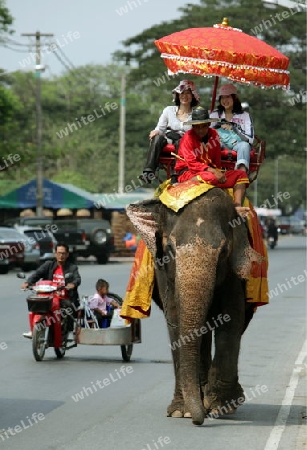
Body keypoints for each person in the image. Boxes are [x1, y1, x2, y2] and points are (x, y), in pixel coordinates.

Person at [174, 106, 250, 216]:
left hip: (211, 173)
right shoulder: (187, 137)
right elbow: (192, 163)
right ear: (193, 126)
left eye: (203, 126)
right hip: (189, 173)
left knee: (241, 175)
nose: (200, 130)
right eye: (197, 127)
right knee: (211, 177)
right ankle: (185, 184)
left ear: (209, 125)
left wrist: (218, 172)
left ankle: (237, 206)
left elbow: (216, 158)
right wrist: (214, 172)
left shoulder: (214, 134)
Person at [139, 79, 200, 183]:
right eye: (182, 93)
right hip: (169, 137)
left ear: (193, 96)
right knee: (157, 137)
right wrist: (155, 131)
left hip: (186, 143)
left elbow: (199, 133)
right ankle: (148, 172)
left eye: (188, 93)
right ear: (177, 95)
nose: (184, 96)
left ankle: (176, 175)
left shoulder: (197, 114)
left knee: (181, 141)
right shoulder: (169, 110)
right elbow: (160, 128)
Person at [21, 242, 81, 340]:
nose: (61, 255)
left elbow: (77, 279)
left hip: (64, 298)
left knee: (69, 309)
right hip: (47, 296)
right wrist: (28, 282)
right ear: (55, 254)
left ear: (67, 254)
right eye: (59, 253)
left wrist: (73, 284)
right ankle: (33, 330)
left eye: (63, 253)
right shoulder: (48, 265)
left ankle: (67, 329)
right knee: (33, 304)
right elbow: (37, 274)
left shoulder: (72, 268)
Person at [210, 84, 254, 173]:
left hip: (238, 145)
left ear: (234, 98)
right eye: (222, 97)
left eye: (228, 97)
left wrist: (234, 128)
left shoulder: (245, 116)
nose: (225, 100)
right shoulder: (214, 115)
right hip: (218, 144)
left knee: (244, 146)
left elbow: (250, 140)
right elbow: (206, 134)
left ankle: (241, 172)